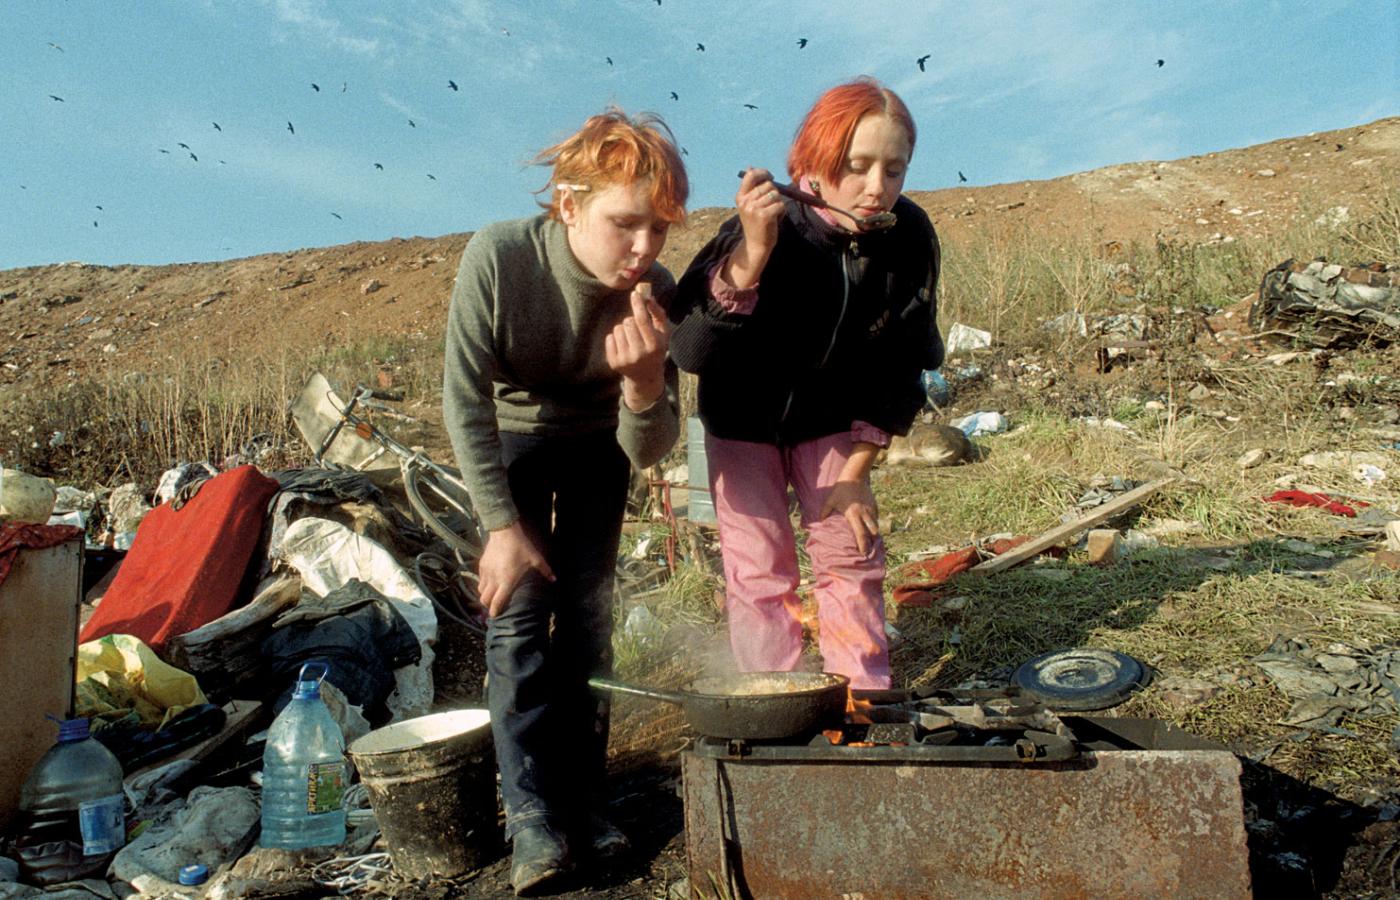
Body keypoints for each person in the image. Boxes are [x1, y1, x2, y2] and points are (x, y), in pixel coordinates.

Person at [442, 108, 685, 895]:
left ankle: (586, 800)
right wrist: (500, 526)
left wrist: (643, 384)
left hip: (598, 444)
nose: (644, 248)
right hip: (512, 438)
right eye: (626, 224)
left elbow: (649, 448)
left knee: (588, 617)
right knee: (518, 619)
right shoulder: (501, 256)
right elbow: (463, 401)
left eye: (659, 228)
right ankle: (532, 818)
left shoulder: (655, 291)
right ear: (570, 205)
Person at [669, 77, 942, 692]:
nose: (876, 188)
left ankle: (862, 703)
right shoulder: (762, 225)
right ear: (814, 161)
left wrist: (856, 474)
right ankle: (773, 704)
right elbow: (688, 350)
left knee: (850, 553)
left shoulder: (908, 236)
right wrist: (753, 253)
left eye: (894, 170)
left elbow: (908, 361)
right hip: (741, 420)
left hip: (836, 418)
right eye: (856, 166)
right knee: (760, 570)